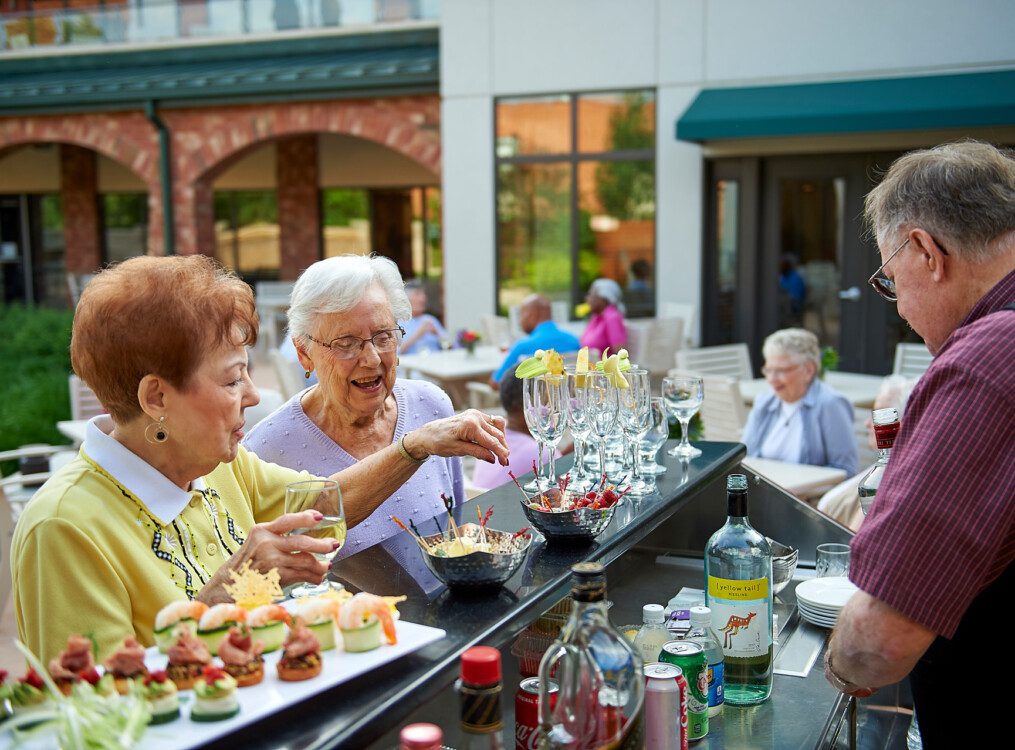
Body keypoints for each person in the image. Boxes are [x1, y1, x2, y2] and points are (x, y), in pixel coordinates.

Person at [11, 255, 509, 663]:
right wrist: (218, 599)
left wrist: (413, 444)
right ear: (156, 398)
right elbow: (100, 714)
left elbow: (327, 505)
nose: (253, 395)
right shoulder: (64, 527)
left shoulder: (220, 466)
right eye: (232, 380)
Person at [823, 141, 1014, 747]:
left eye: (889, 280)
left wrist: (830, 667)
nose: (901, 307)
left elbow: (879, 643)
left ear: (927, 252)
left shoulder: (989, 354)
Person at [243, 255, 471, 558]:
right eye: (346, 343)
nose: (372, 358)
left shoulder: (431, 405)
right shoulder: (265, 451)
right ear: (304, 353)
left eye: (383, 336)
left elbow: (460, 532)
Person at [742, 328, 858, 475]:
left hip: (807, 496)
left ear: (808, 370)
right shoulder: (765, 401)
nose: (772, 379)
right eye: (768, 370)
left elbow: (846, 469)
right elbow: (746, 456)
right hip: (763, 490)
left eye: (781, 370)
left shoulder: (830, 404)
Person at [816, 375, 914, 531]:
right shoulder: (884, 469)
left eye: (879, 414)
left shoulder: (887, 479)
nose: (867, 423)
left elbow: (855, 542)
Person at [472, 365, 562, 491]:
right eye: (545, 402)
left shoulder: (491, 439)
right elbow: (562, 487)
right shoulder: (541, 452)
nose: (551, 409)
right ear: (522, 406)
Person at [489, 294, 580, 388]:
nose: (520, 321)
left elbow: (496, 383)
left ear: (531, 315)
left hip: (532, 401)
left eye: (521, 315)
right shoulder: (574, 341)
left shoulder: (522, 347)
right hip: (568, 399)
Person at [580, 278, 627, 357]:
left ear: (603, 299)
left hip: (601, 367)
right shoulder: (597, 316)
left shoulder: (612, 317)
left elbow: (620, 352)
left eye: (592, 295)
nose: (587, 298)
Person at [399, 280, 448, 354]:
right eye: (417, 294)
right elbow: (397, 352)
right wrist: (419, 333)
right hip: (411, 364)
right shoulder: (400, 323)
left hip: (435, 362)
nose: (423, 298)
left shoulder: (430, 319)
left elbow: (449, 345)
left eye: (423, 295)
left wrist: (437, 333)